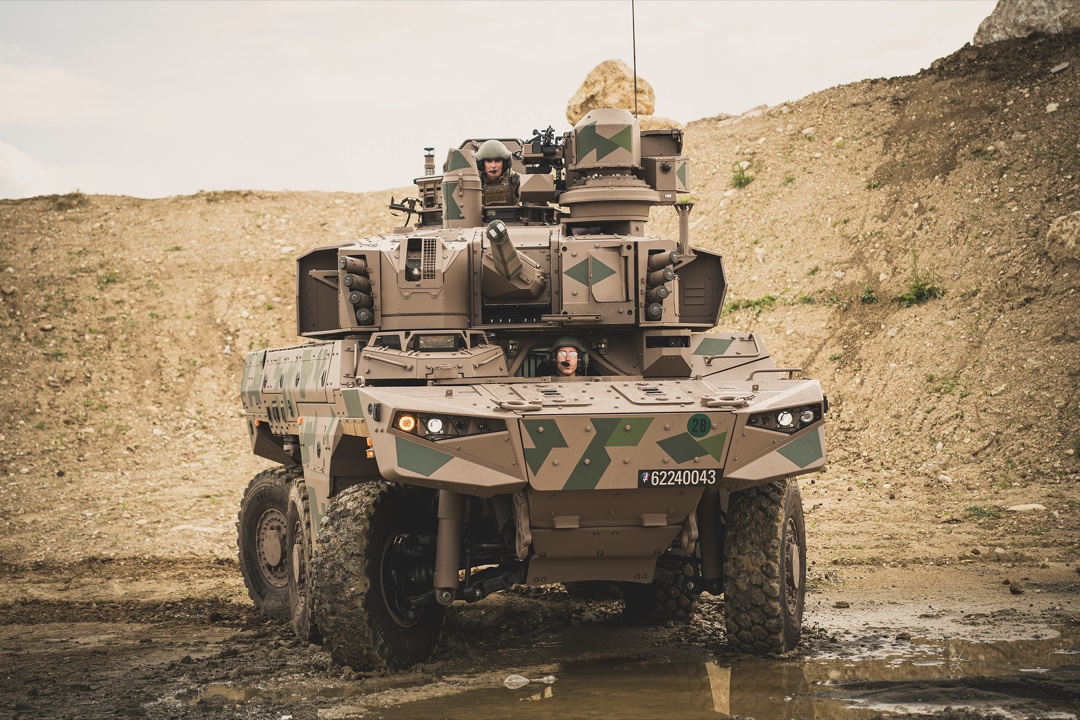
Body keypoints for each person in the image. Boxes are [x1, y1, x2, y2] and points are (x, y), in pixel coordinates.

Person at [474, 139, 520, 206]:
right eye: (489, 161)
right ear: (481, 164)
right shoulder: (474, 182)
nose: (493, 165)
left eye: (497, 161)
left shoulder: (516, 180)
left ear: (504, 164)